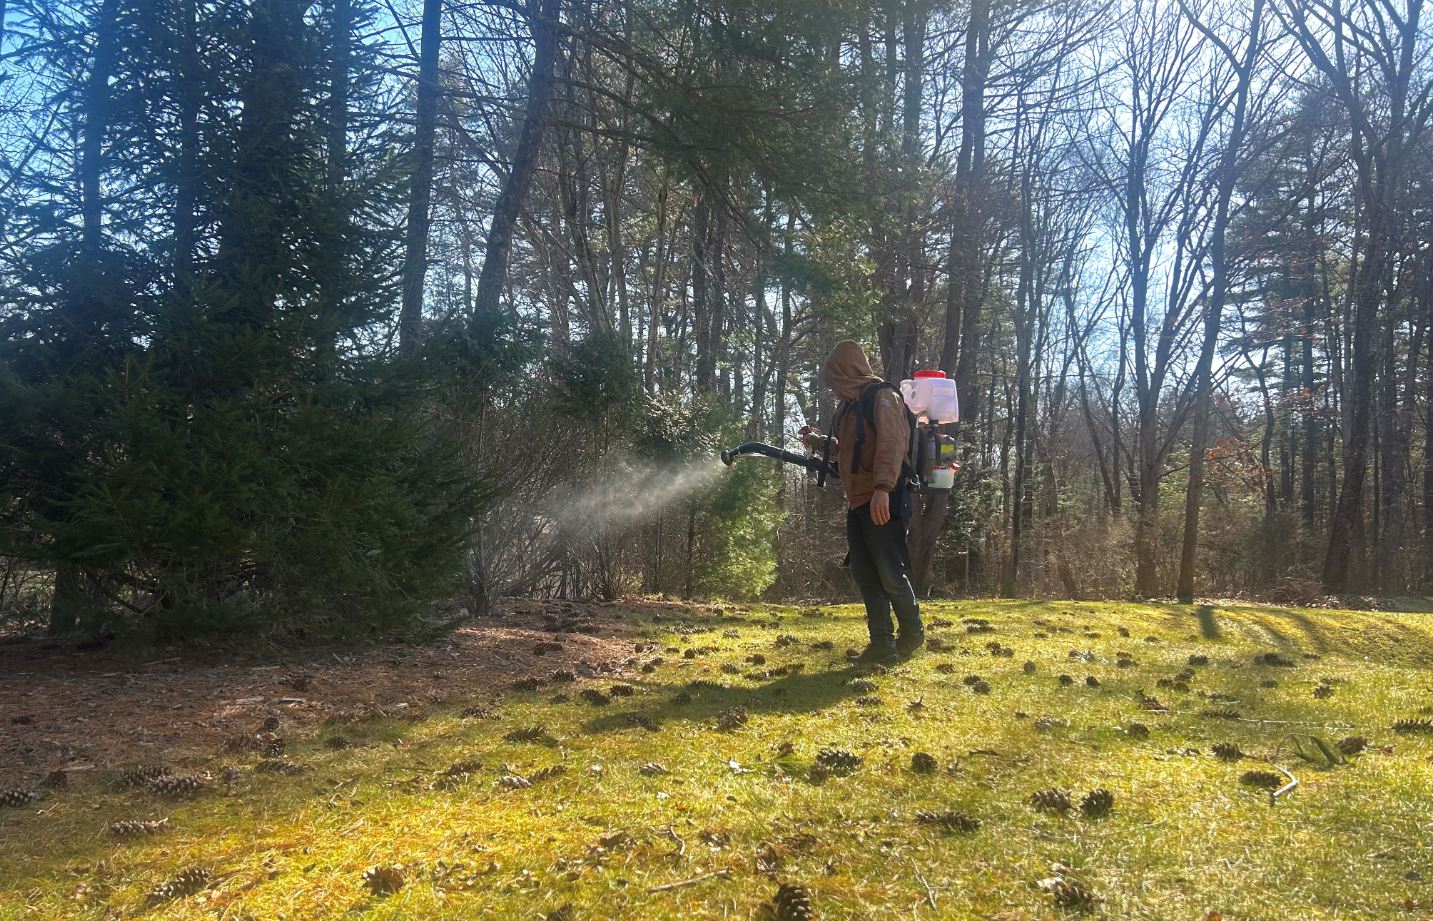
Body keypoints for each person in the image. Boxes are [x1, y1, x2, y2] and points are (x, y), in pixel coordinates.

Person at [800, 340, 924, 663]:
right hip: (858, 503)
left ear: (848, 373)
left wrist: (883, 488)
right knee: (866, 574)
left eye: (836, 381)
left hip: (885, 498)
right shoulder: (848, 409)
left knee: (890, 572)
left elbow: (892, 444)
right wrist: (819, 442)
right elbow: (850, 450)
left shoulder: (883, 397)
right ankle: (882, 643)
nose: (834, 389)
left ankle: (912, 633)